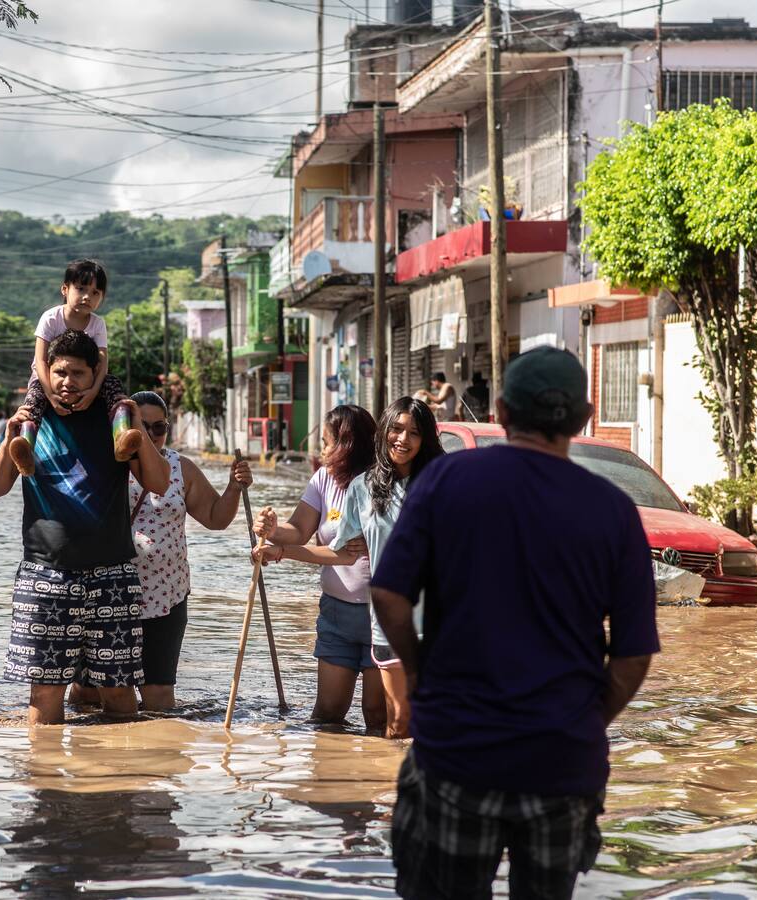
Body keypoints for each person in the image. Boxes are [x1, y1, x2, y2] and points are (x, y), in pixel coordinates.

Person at [371, 346, 659, 900]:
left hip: (457, 753)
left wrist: (421, 672)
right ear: (582, 418)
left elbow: (387, 594)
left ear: (500, 409)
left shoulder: (447, 480)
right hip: (562, 765)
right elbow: (633, 657)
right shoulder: (613, 511)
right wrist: (581, 722)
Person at [0, 331, 170, 726]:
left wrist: (136, 425)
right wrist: (8, 440)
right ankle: (47, 783)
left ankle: (119, 783)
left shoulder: (114, 421)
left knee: (119, 691)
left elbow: (159, 483)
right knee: (45, 693)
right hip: (44, 573)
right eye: (60, 371)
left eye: (78, 373)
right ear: (46, 371)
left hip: (113, 574)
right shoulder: (31, 422)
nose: (68, 382)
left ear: (95, 373)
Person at [256, 398, 441, 739]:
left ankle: (392, 784)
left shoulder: (435, 484)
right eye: (396, 430)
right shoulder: (359, 486)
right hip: (353, 618)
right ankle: (340, 781)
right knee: (334, 716)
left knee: (386, 718)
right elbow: (338, 551)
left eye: (414, 433)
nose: (403, 439)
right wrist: (276, 542)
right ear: (383, 432)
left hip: (410, 619)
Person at [72, 390, 254, 712]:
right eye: (143, 427)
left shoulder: (179, 467)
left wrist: (233, 487)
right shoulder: (106, 463)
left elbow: (216, 517)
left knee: (159, 700)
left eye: (159, 427)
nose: (152, 435)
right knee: (90, 694)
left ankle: (155, 758)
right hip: (108, 593)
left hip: (166, 596)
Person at [253, 406, 380, 730]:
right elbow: (299, 527)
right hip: (337, 615)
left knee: (378, 718)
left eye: (325, 442)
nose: (320, 450)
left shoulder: (378, 484)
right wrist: (272, 528)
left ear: (345, 444)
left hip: (380, 616)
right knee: (326, 717)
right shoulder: (323, 478)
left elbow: (342, 553)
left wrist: (282, 551)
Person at [9, 259, 142, 476]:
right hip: (45, 379)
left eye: (95, 292)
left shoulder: (98, 324)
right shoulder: (51, 318)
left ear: (102, 298)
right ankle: (25, 447)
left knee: (114, 388)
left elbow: (103, 362)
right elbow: (41, 361)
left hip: (87, 380)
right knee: (32, 403)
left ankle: (121, 437)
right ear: (65, 289)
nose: (87, 296)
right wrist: (50, 395)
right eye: (81, 289)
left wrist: (92, 392)